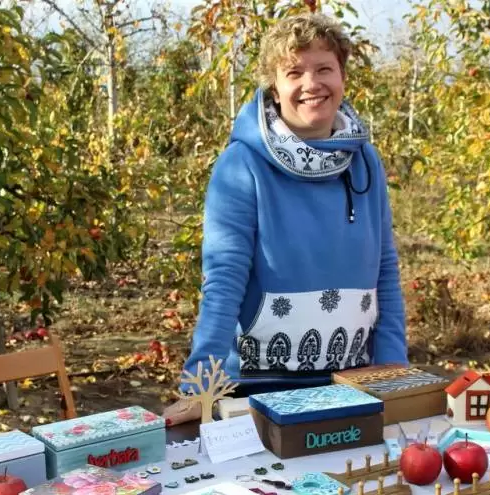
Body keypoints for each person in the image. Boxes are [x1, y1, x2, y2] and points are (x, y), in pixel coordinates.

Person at [163, 13, 408, 426]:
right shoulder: (241, 165)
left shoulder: (365, 161)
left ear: (343, 77)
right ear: (274, 89)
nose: (312, 84)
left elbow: (385, 267)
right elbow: (224, 278)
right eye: (294, 72)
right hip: (258, 397)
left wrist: (392, 368)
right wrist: (201, 387)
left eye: (324, 69)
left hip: (352, 386)